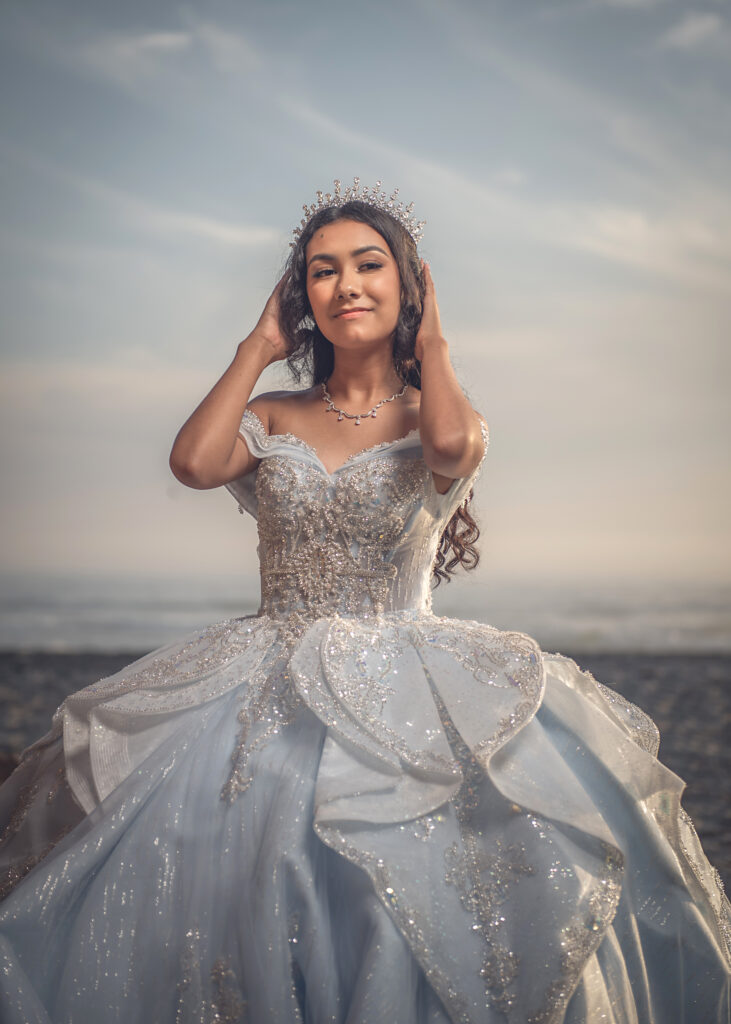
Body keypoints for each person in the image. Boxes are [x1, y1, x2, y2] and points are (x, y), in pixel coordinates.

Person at [0, 177, 728, 1024]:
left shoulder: (439, 413)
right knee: (239, 852)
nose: (345, 284)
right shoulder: (271, 412)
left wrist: (436, 337)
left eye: (369, 265)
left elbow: (454, 448)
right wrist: (255, 346)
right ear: (300, 296)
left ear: (405, 284)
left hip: (409, 667)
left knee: (403, 871)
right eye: (321, 271)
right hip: (265, 667)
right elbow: (193, 464)